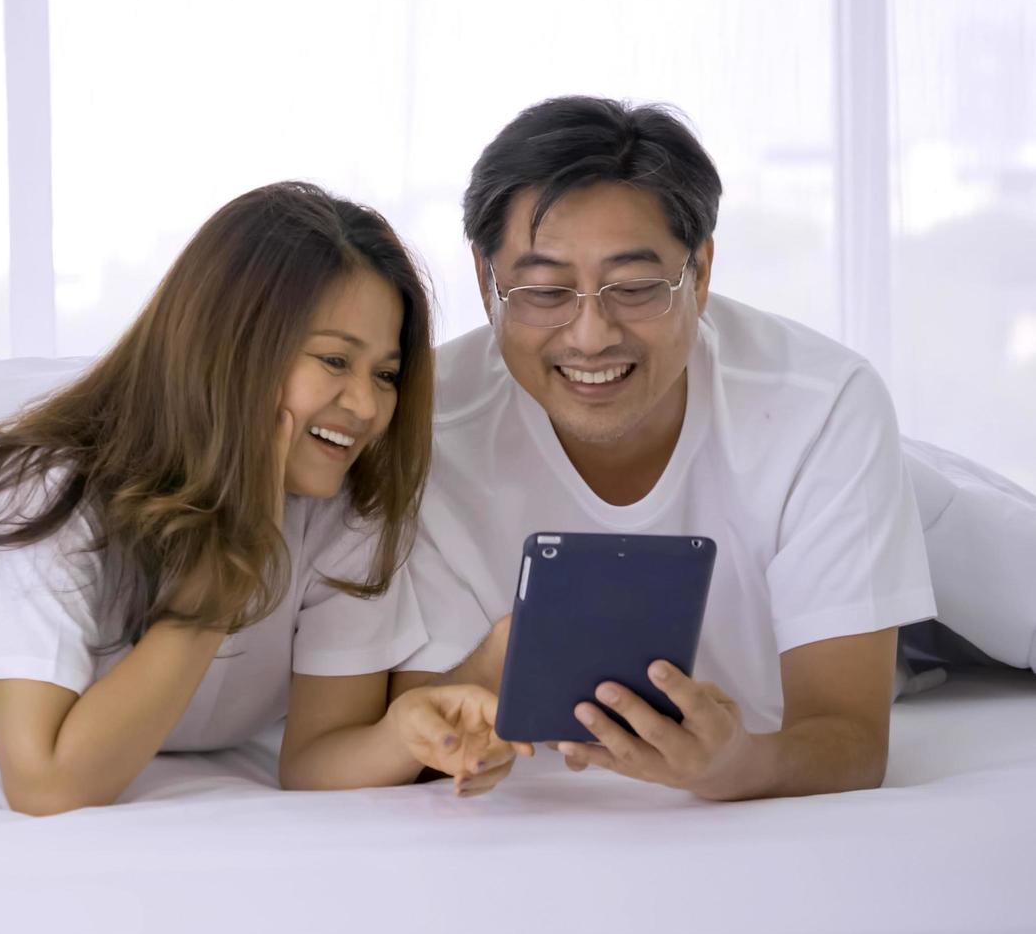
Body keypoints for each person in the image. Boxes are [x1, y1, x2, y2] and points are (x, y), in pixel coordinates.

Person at [0, 181, 528, 815]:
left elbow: (316, 759)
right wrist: (219, 584)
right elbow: (45, 783)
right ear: (233, 349)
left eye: (385, 373)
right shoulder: (56, 494)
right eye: (333, 360)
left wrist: (400, 736)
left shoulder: (344, 509)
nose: (366, 404)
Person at [392, 96, 934, 801]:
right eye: (546, 288)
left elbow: (851, 739)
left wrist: (740, 768)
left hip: (913, 531)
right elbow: (406, 725)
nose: (589, 335)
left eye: (637, 287)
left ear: (700, 272)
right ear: (483, 280)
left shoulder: (824, 403)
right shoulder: (421, 425)